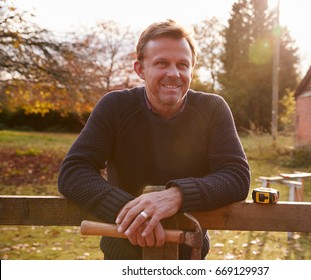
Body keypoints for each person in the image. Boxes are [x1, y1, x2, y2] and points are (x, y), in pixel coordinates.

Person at [58, 19, 250, 260]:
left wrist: (176, 195)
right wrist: (133, 214)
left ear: (191, 69)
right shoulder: (114, 106)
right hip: (122, 254)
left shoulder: (213, 109)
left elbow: (236, 176)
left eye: (182, 64)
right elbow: (73, 172)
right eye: (161, 63)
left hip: (189, 254)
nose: (174, 73)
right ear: (140, 69)